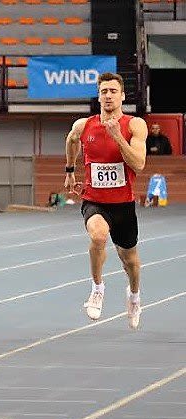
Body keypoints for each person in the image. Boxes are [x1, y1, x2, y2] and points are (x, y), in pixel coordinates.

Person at [64, 72, 147, 330]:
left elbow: (139, 164)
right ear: (98, 96)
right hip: (94, 200)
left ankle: (134, 297)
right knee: (98, 235)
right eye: (104, 92)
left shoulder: (135, 125)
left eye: (113, 91)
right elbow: (71, 140)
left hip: (123, 204)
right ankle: (97, 288)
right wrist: (70, 170)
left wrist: (117, 136)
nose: (108, 96)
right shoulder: (84, 125)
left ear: (122, 96)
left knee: (130, 262)